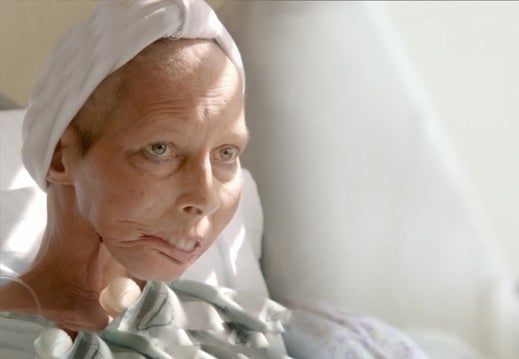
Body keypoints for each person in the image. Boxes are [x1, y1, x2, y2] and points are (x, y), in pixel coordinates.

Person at [0, 1, 437, 358]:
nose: (206, 197)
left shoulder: (233, 324)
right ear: (62, 157)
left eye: (226, 153)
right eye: (160, 149)